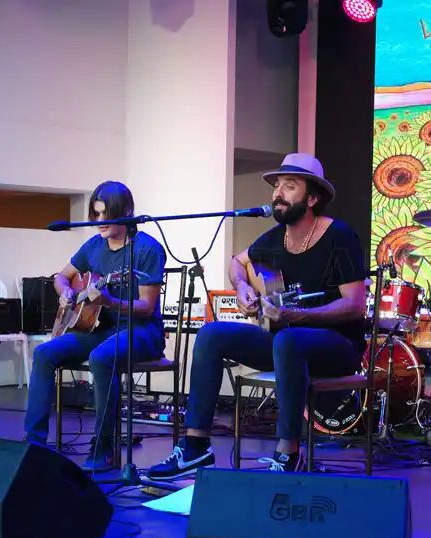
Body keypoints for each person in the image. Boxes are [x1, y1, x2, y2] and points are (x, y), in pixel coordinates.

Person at [147, 153, 367, 480]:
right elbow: (237, 263)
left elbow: (355, 305)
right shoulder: (275, 239)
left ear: (312, 198)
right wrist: (241, 288)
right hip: (286, 344)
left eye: (289, 186)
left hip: (338, 346)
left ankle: (288, 453)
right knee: (211, 335)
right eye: (277, 186)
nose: (278, 193)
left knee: (288, 339)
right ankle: (195, 447)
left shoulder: (339, 236)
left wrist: (294, 316)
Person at [23, 181, 167, 472]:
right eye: (96, 214)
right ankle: (33, 443)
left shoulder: (146, 249)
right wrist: (65, 292)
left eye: (106, 215)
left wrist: (111, 301)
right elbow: (61, 277)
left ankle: (103, 449)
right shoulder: (93, 246)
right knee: (44, 353)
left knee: (102, 357)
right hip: (99, 328)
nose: (100, 221)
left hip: (142, 331)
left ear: (126, 212)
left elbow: (146, 306)